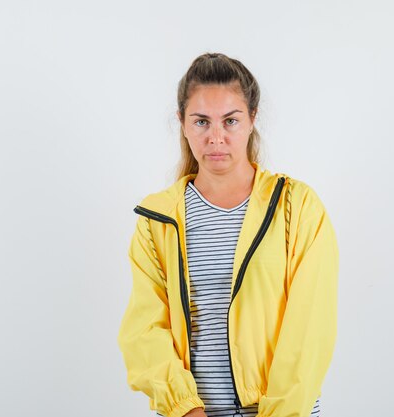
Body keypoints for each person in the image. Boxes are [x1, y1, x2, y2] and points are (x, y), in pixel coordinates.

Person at [117, 52, 339, 417]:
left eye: (230, 121)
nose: (215, 137)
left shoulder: (297, 207)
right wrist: (185, 409)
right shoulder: (157, 219)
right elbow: (145, 330)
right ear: (182, 123)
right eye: (201, 121)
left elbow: (310, 327)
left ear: (252, 119)